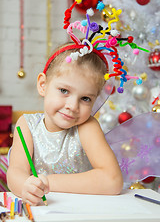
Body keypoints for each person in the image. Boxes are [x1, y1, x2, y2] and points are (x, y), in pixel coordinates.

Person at [7, 42, 123, 206]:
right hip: (41, 211)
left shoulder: (87, 127)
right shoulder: (26, 125)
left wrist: (48, 183)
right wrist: (25, 186)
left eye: (85, 99)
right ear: (43, 85)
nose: (73, 106)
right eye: (64, 91)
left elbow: (113, 180)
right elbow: (15, 173)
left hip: (81, 210)